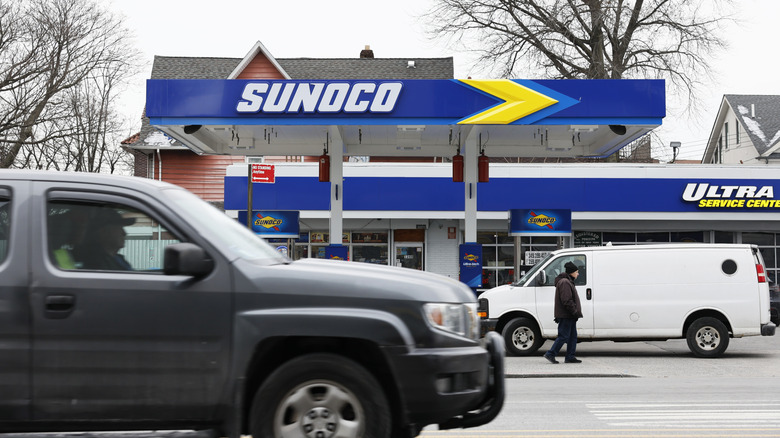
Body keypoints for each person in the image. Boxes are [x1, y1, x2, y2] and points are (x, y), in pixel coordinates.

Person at [544, 261, 584, 364]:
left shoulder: (568, 281)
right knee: (563, 336)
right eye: (576, 272)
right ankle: (550, 354)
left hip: (569, 315)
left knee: (572, 337)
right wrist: (574, 312)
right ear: (571, 272)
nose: (578, 274)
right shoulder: (565, 282)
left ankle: (570, 356)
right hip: (566, 315)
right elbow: (567, 300)